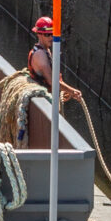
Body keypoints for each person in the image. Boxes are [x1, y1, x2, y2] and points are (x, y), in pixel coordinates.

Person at [17, 16, 88, 144]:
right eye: (47, 34)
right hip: (42, 100)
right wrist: (72, 91)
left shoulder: (46, 50)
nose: (51, 37)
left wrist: (64, 91)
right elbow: (53, 82)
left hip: (49, 95)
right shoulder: (40, 55)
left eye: (52, 34)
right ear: (39, 34)